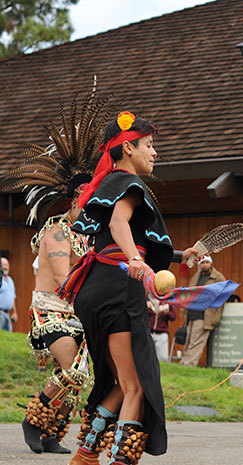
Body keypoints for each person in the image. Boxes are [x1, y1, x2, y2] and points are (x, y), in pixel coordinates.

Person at [59, 111, 199, 465]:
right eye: (149, 145)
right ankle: (120, 460)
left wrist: (181, 254)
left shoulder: (110, 183)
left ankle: (86, 455)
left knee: (124, 382)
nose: (154, 153)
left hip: (98, 287)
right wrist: (134, 260)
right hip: (119, 289)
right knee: (137, 384)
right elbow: (120, 223)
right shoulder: (127, 183)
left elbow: (117, 234)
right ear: (127, 147)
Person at [0, 88, 107, 455]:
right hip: (50, 310)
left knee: (79, 378)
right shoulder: (57, 232)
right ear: (79, 199)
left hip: (77, 312)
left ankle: (51, 433)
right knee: (74, 371)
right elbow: (64, 278)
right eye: (91, 200)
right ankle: (33, 420)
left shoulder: (87, 237)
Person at [181, 255, 225, 366]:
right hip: (192, 313)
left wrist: (215, 314)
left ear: (211, 263)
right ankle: (184, 363)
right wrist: (184, 311)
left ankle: (189, 364)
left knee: (196, 342)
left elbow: (224, 295)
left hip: (205, 315)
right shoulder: (196, 277)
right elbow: (189, 294)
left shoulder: (218, 277)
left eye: (207, 262)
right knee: (189, 341)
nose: (205, 265)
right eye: (202, 263)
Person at [0, 257, 17, 331]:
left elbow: (12, 298)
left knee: (7, 337)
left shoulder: (10, 280)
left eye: (6, 265)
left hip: (7, 314)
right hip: (0, 313)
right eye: (3, 265)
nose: (5, 267)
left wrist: (15, 313)